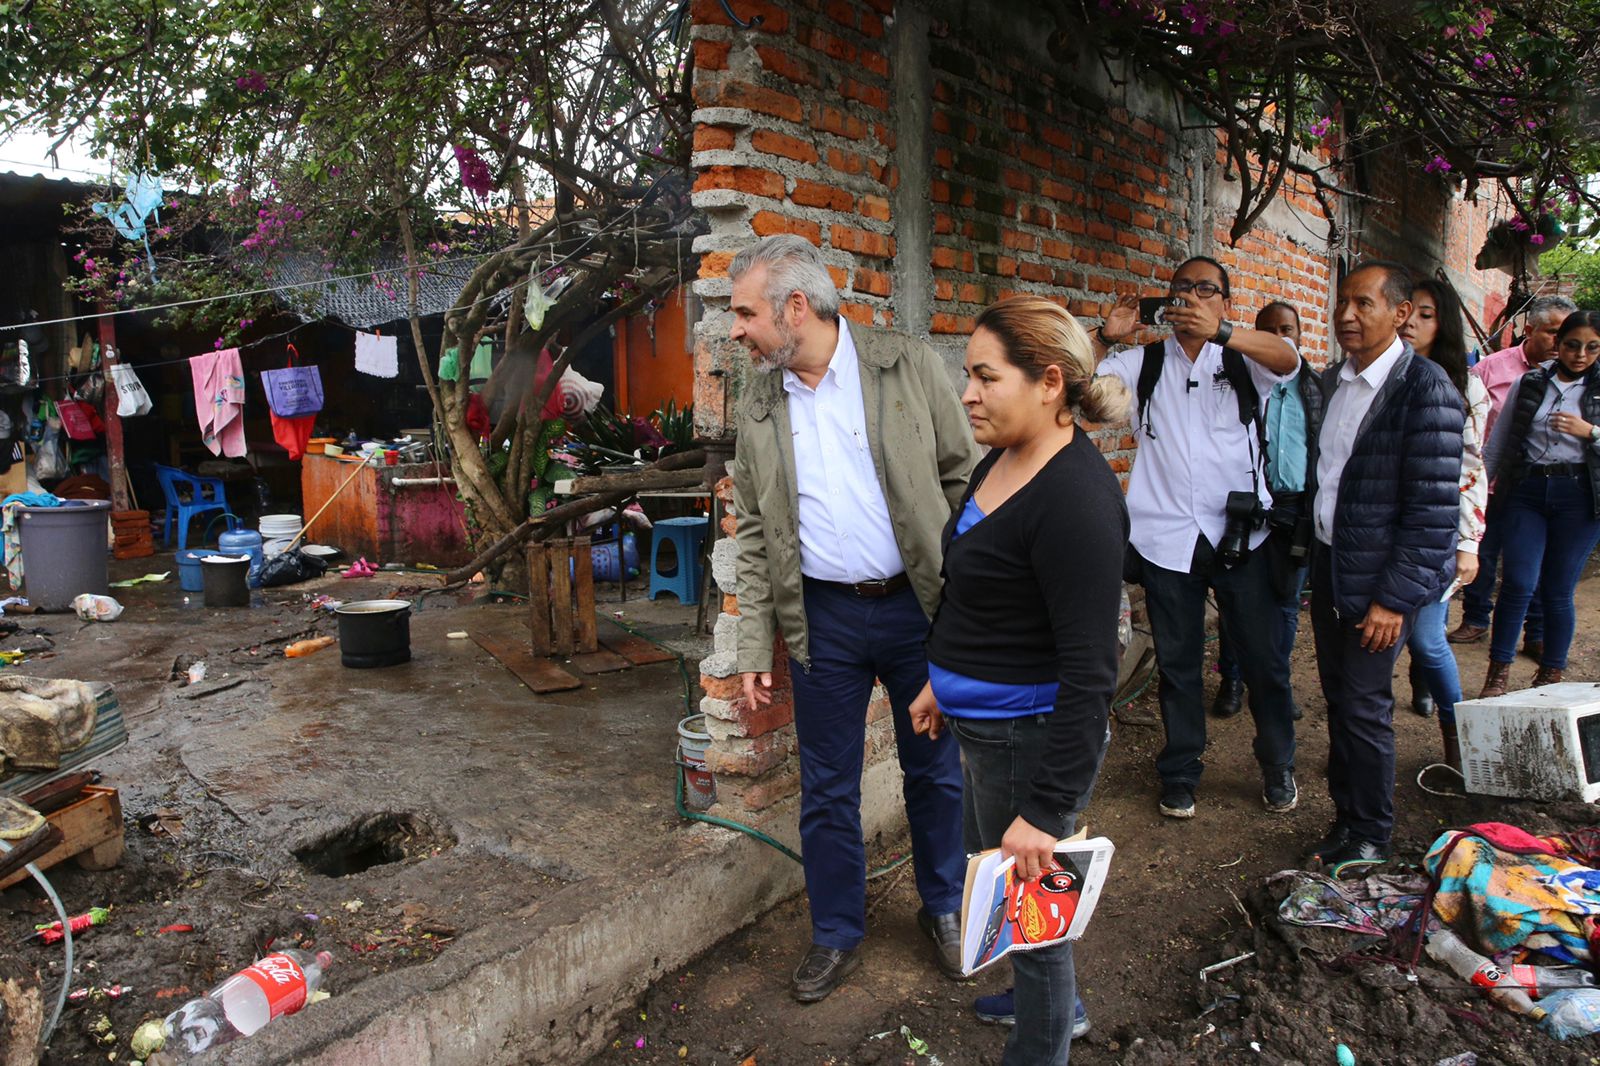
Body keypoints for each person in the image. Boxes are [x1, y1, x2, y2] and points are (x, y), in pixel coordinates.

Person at [726, 235, 978, 1002]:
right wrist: (749, 643)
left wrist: (969, 612)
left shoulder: (907, 367)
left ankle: (942, 907)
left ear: (795, 307)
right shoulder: (761, 399)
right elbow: (752, 529)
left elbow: (964, 479)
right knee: (828, 787)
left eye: (745, 313)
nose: (736, 330)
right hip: (822, 617)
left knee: (933, 771)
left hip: (916, 608)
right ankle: (836, 932)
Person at [908, 295, 1128, 1065]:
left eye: (985, 377)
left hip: (1028, 744)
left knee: (1035, 925)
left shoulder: (1076, 503)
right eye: (968, 375)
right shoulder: (1002, 458)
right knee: (1010, 896)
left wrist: (1047, 808)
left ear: (1051, 382)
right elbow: (976, 586)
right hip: (984, 732)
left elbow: (1093, 673)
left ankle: (1047, 1037)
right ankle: (1051, 1004)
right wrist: (945, 679)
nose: (967, 393)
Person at [1095, 257, 1301, 820]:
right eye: (1181, 290)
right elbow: (1084, 399)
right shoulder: (1144, 363)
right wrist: (1102, 338)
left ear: (1225, 302)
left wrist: (1226, 334)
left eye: (1205, 289)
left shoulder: (1242, 358)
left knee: (1264, 661)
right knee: (1179, 666)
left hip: (1242, 538)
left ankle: (1277, 761)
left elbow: (1290, 360)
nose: (1191, 298)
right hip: (1166, 541)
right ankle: (1181, 770)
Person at [1305, 261, 1464, 870]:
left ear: (1400, 314)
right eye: (1343, 302)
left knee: (1367, 708)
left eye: (1363, 303)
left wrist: (1393, 599)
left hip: (1377, 586)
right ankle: (1347, 819)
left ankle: (1372, 833)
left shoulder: (1424, 390)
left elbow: (1431, 514)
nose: (1347, 314)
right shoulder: (1337, 381)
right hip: (1333, 569)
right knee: (1342, 701)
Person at [1477, 310, 1600, 697]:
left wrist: (1591, 431)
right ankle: (1497, 674)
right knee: (1517, 582)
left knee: (1558, 589)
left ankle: (1550, 677)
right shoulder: (1530, 382)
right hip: (1526, 491)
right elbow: (1498, 444)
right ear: (1558, 344)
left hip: (1580, 496)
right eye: (1572, 344)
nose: (1580, 354)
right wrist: (1477, 494)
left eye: (1592, 347)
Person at [1448, 294, 1578, 650]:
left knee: (1532, 563)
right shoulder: (1492, 368)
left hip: (1531, 487)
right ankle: (1476, 619)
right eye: (1552, 332)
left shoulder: (1575, 382)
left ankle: (1535, 632)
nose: (1558, 342)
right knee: (1484, 555)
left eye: (1563, 334)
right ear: (1529, 330)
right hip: (1489, 483)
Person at [1211, 301, 1321, 722]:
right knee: (1233, 595)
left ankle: (1274, 681)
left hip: (1295, 508)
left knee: (1286, 600)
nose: (1279, 336)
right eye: (1268, 330)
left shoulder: (1314, 386)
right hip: (1247, 506)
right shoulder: (1238, 381)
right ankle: (1232, 678)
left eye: (1286, 328)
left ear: (1300, 333)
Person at [1396, 279, 1489, 771]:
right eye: (1407, 311)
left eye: (1426, 315)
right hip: (1383, 531)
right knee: (1380, 645)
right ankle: (1360, 743)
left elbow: (1472, 467)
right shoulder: (1379, 371)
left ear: (1443, 323)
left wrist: (1469, 542)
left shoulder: (1465, 384)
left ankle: (1458, 742)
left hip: (1436, 532)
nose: (1411, 323)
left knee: (1428, 641)